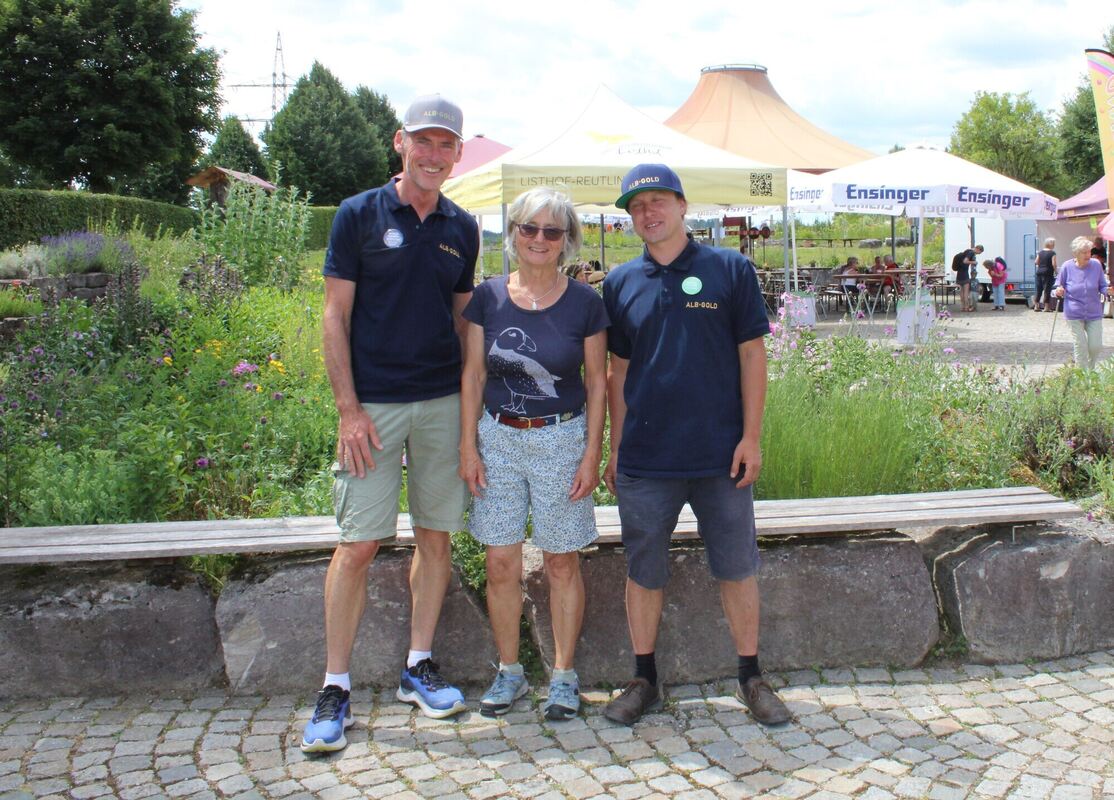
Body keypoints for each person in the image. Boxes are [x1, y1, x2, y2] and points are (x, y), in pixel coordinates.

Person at [302, 95, 477, 754]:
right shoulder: (358, 215)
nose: (434, 155)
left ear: (458, 154)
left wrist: (468, 417)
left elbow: (465, 327)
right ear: (400, 142)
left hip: (439, 405)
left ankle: (418, 665)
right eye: (424, 142)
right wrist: (348, 409)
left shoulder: (461, 227)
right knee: (358, 544)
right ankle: (336, 686)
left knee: (436, 539)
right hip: (371, 409)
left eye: (447, 145)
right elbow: (333, 316)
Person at [601, 164, 790, 727]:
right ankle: (643, 679)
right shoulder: (619, 282)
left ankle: (751, 677)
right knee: (644, 571)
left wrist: (752, 437)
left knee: (737, 568)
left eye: (657, 201)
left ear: (683, 206)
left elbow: (753, 356)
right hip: (646, 459)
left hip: (720, 456)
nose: (647, 213)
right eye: (636, 207)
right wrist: (614, 448)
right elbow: (618, 371)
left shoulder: (729, 268)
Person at [459, 187, 608, 721]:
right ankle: (509, 672)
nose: (540, 239)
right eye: (529, 228)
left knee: (561, 561)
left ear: (567, 240)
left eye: (552, 231)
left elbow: (597, 383)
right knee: (499, 560)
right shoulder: (488, 298)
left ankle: (564, 676)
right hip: (496, 438)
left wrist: (592, 454)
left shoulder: (587, 303)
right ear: (514, 232)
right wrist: (467, 446)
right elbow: (473, 375)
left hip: (561, 439)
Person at [1054, 236, 1112, 370]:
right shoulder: (1067, 266)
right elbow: (1056, 286)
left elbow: (1102, 285)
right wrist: (1058, 290)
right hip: (1074, 313)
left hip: (1094, 312)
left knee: (1095, 346)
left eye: (1089, 251)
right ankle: (1082, 375)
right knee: (1080, 345)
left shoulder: (1096, 265)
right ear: (1075, 253)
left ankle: (1089, 370)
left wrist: (1107, 290)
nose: (1088, 255)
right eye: (1084, 252)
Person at [950, 244, 983, 312]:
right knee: (966, 292)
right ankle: (966, 307)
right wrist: (973, 262)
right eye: (979, 252)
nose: (978, 254)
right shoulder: (971, 252)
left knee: (961, 292)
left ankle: (962, 307)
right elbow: (965, 261)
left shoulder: (967, 251)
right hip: (965, 274)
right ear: (978, 249)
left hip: (959, 274)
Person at [1033, 238, 1057, 312]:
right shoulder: (1052, 253)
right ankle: (1046, 307)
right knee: (1047, 290)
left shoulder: (1040, 252)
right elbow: (1054, 264)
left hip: (1039, 272)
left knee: (1038, 289)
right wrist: (1056, 271)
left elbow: (1036, 262)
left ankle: (1036, 306)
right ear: (1051, 244)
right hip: (1048, 273)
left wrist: (1042, 264)